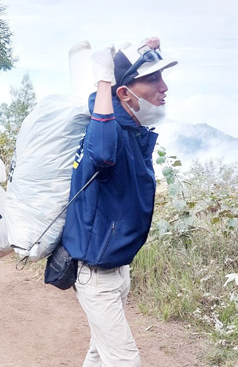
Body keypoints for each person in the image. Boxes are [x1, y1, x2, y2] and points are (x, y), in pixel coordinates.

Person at [61, 37, 177, 366]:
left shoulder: (131, 128)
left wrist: (136, 48)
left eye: (162, 77)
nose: (163, 87)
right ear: (123, 94)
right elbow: (100, 152)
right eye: (152, 79)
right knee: (125, 360)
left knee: (100, 352)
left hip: (117, 266)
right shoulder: (108, 134)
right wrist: (104, 78)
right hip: (96, 274)